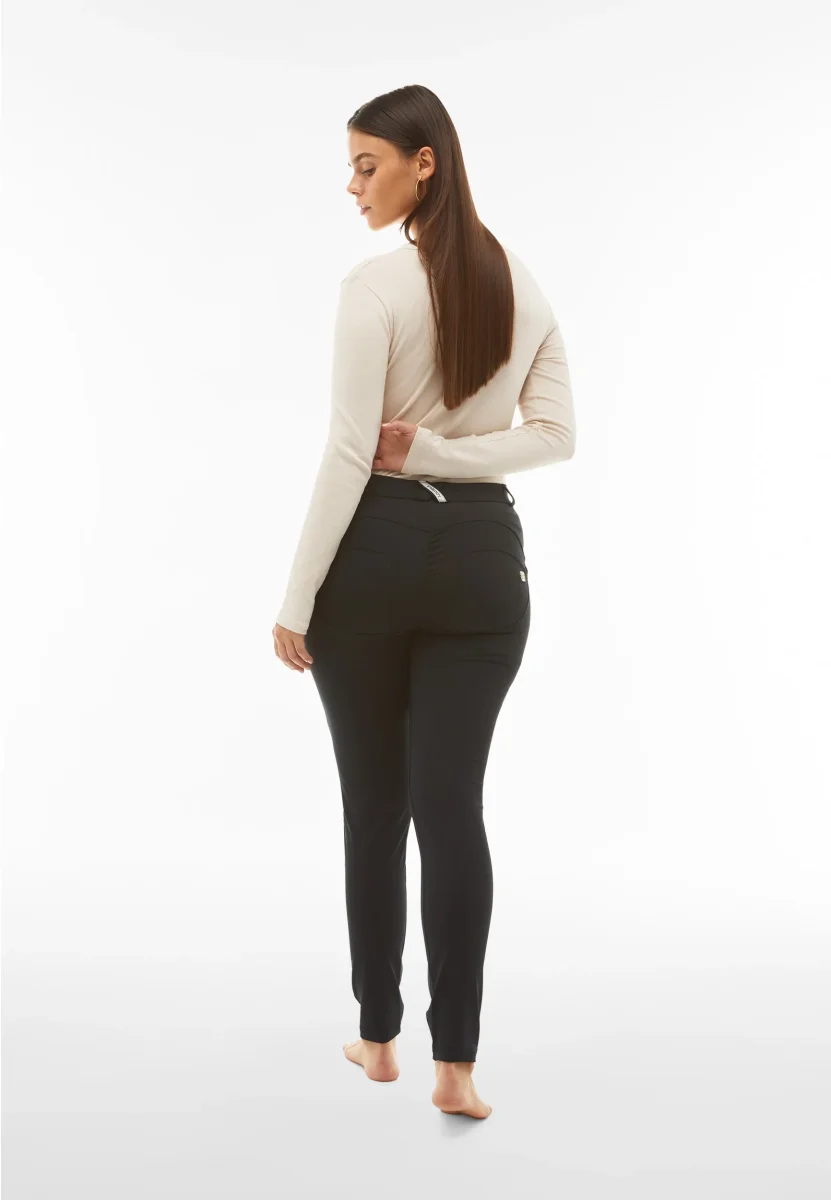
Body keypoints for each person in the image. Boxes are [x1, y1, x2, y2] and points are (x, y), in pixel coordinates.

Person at [272, 84, 576, 1120]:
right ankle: (458, 1069)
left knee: (376, 808)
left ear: (423, 163)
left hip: (374, 556)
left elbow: (350, 453)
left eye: (367, 165)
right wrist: (450, 453)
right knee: (452, 809)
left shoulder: (373, 289)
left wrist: (296, 597)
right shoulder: (524, 284)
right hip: (484, 560)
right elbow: (554, 435)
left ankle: (377, 1039)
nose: (353, 185)